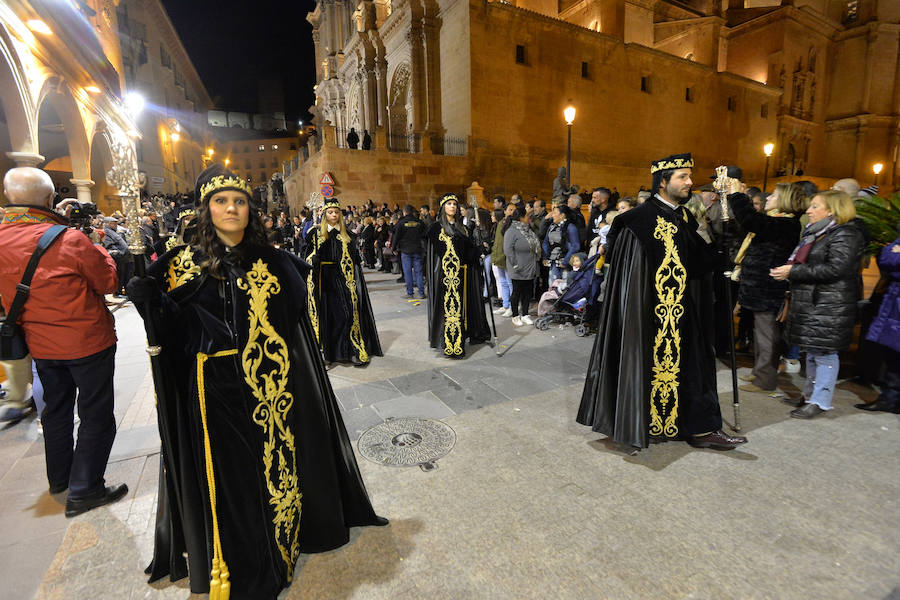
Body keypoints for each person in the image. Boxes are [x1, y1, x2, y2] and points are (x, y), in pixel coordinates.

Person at [127, 164, 386, 599]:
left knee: (277, 469)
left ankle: (285, 542)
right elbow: (170, 331)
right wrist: (149, 302)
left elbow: (293, 322)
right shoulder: (179, 263)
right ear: (206, 209)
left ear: (251, 209)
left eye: (240, 201)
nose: (232, 208)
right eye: (221, 201)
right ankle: (248, 561)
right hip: (216, 392)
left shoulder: (274, 261)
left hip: (273, 386)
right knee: (236, 480)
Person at [577, 153, 748, 451]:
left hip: (682, 312)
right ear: (663, 181)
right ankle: (641, 421)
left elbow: (699, 260)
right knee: (646, 365)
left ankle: (702, 428)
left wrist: (723, 237)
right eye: (683, 177)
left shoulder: (682, 217)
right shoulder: (636, 221)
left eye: (690, 176)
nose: (690, 182)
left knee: (696, 365)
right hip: (648, 315)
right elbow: (630, 277)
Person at [0, 167, 126, 512]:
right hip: (87, 342)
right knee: (96, 414)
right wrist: (96, 246)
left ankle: (61, 479)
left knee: (54, 412)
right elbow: (108, 282)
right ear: (47, 199)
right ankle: (85, 490)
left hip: (40, 346)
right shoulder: (68, 239)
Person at [771, 189, 866, 418]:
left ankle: (820, 401)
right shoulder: (818, 233)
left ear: (832, 210)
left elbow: (836, 269)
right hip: (816, 303)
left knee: (825, 354)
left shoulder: (846, 234)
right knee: (813, 352)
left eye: (815, 206)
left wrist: (794, 271)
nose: (808, 211)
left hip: (830, 304)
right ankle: (809, 395)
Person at [729, 183, 804, 395]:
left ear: (785, 200)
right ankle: (760, 370)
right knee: (760, 332)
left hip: (768, 288)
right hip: (759, 287)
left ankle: (765, 380)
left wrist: (737, 195)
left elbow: (751, 220)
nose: (768, 198)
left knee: (767, 335)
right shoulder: (777, 221)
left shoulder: (786, 224)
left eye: (774, 195)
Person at [305, 199, 382, 367]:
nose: (333, 215)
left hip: (344, 281)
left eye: (336, 212)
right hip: (324, 281)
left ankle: (349, 351)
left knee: (346, 315)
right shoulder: (315, 234)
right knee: (327, 316)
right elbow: (306, 256)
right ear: (325, 214)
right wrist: (313, 259)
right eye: (330, 212)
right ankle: (329, 354)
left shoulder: (347, 235)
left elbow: (355, 260)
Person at [424, 193, 491, 358]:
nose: (452, 206)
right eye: (449, 204)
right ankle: (450, 345)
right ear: (443, 207)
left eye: (454, 204)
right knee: (449, 311)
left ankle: (465, 337)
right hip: (445, 277)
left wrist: (480, 250)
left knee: (462, 310)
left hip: (463, 276)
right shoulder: (435, 228)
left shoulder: (464, 229)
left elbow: (468, 254)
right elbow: (434, 253)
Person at [856, 232, 900, 413]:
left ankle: (891, 399)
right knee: (893, 353)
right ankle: (890, 399)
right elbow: (886, 258)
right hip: (894, 304)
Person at [503, 205, 541, 326]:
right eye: (527, 216)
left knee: (527, 291)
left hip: (530, 265)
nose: (529, 219)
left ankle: (525, 314)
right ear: (521, 217)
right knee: (517, 291)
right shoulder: (511, 231)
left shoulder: (528, 229)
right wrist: (514, 264)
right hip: (517, 266)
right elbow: (508, 250)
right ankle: (515, 315)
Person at [394, 204, 427, 298]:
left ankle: (410, 293)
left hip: (405, 250)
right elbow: (425, 234)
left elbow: (396, 237)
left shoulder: (401, 223)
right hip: (417, 249)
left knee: (407, 272)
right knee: (418, 272)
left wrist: (393, 248)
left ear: (404, 212)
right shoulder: (419, 222)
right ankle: (421, 293)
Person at [542, 203, 579, 282]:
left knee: (565, 287)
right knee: (552, 287)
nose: (553, 215)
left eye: (555, 213)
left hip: (566, 263)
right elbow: (545, 242)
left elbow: (575, 246)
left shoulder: (570, 227)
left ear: (562, 215)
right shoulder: (551, 227)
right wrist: (545, 256)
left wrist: (566, 261)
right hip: (552, 262)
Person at [491, 202, 516, 317]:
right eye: (510, 209)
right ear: (505, 211)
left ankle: (512, 307)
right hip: (499, 256)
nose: (512, 212)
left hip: (506, 257)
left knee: (510, 283)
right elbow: (498, 241)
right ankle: (505, 305)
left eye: (513, 210)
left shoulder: (514, 224)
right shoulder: (501, 222)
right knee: (503, 282)